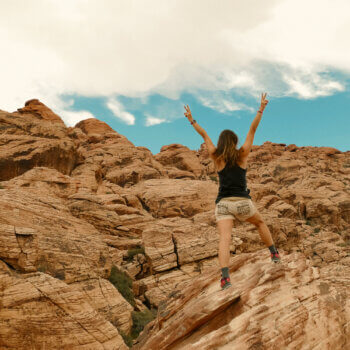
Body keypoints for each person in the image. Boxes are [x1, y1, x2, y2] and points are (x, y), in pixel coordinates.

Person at [184, 93, 281, 290]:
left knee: (225, 239)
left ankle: (225, 279)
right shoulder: (242, 154)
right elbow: (252, 130)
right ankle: (274, 254)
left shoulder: (215, 156)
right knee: (260, 222)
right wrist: (261, 109)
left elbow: (204, 135)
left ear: (221, 142)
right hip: (242, 202)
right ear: (235, 141)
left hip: (223, 204)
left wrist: (191, 120)